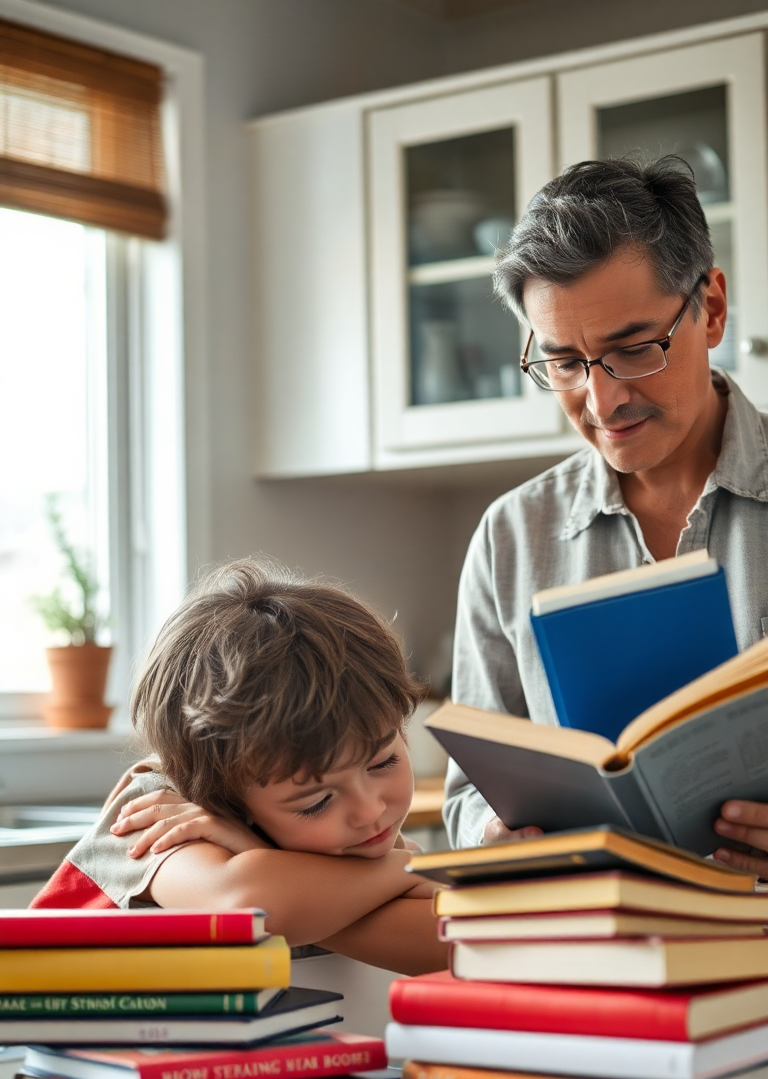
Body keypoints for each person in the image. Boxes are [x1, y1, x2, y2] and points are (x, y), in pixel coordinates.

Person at [445, 156, 768, 876]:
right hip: (594, 955)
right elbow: (467, 796)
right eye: (563, 363)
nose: (602, 402)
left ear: (711, 309)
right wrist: (491, 836)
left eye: (632, 350)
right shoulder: (510, 538)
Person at [33, 560, 447, 976]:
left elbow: (451, 944)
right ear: (227, 798)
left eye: (383, 761)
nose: (371, 809)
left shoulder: (356, 842)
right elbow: (246, 905)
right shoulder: (159, 812)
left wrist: (265, 862)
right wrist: (406, 870)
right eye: (316, 802)